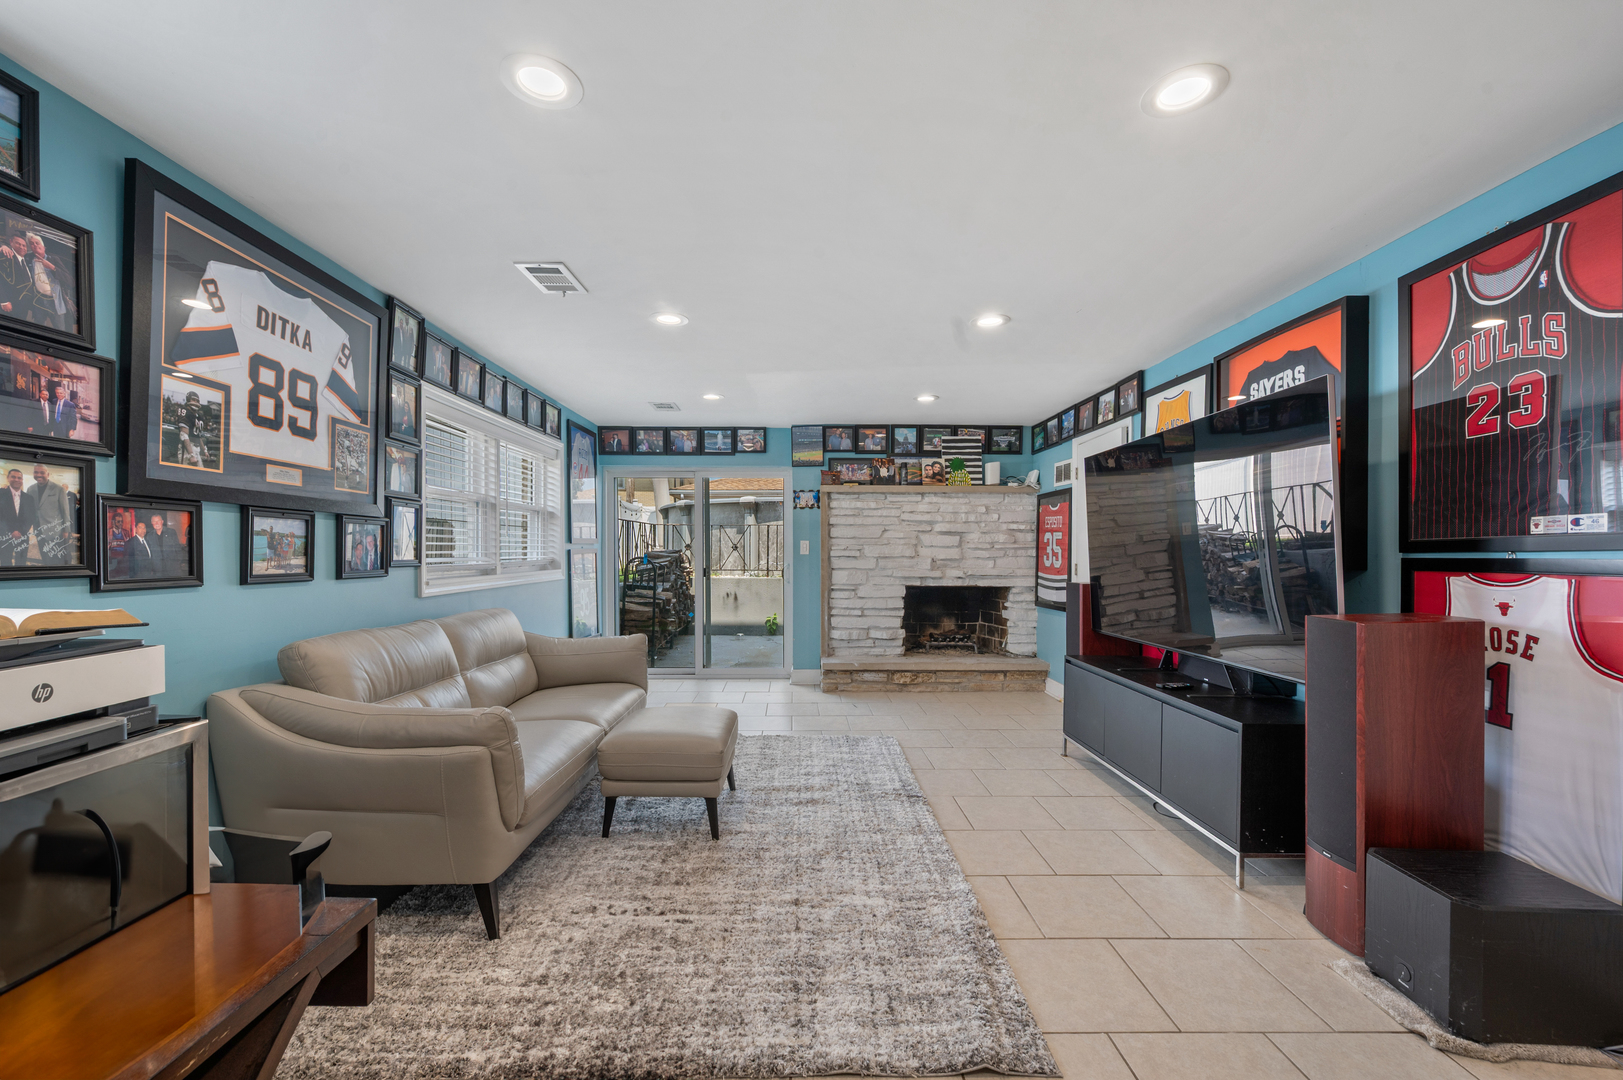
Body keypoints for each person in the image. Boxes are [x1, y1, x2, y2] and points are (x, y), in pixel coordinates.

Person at [28, 232, 73, 332]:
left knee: (60, 330)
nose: (34, 245)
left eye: (37, 242)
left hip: (55, 301)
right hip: (38, 299)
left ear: (44, 247)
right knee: (38, 330)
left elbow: (70, 280)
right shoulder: (29, 260)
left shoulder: (53, 259)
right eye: (32, 243)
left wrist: (52, 267)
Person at [28, 463, 71, 565]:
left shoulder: (58, 489)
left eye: (42, 472)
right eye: (36, 472)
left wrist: (66, 530)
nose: (39, 474)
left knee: (57, 557)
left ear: (48, 474)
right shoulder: (30, 489)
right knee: (45, 555)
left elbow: (65, 511)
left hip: (56, 530)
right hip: (38, 529)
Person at [0, 467, 35, 567]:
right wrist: (11, 531)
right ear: (8, 478)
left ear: (22, 480)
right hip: (5, 535)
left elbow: (31, 517)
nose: (16, 479)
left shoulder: (29, 498)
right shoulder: (1, 494)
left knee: (21, 562)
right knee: (5, 561)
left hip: (23, 535)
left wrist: (21, 531)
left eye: (19, 478)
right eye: (13, 477)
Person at [148, 512, 182, 577]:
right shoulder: (149, 536)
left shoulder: (171, 532)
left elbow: (178, 549)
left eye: (158, 521)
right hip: (157, 569)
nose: (156, 523)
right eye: (154, 521)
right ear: (152, 523)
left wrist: (177, 563)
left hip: (172, 568)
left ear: (162, 522)